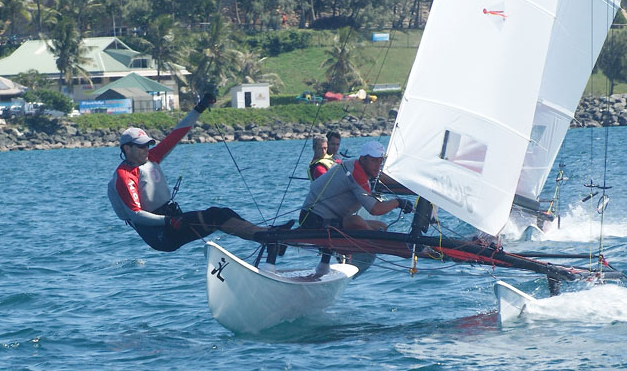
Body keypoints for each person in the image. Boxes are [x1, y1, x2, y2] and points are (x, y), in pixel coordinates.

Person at [108, 93, 288, 253]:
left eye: (148, 145)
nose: (146, 149)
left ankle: (269, 235)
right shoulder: (124, 176)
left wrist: (199, 108)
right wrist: (168, 221)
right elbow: (136, 215)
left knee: (223, 213)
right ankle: (268, 237)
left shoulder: (152, 157)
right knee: (216, 216)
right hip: (160, 234)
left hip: (171, 220)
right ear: (127, 148)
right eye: (141, 146)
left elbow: (177, 133)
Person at [299, 140, 413, 275]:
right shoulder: (356, 173)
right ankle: (390, 248)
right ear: (363, 159)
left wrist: (419, 188)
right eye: (374, 161)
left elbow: (381, 177)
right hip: (313, 220)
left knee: (381, 226)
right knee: (356, 221)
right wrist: (398, 202)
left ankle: (323, 266)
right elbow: (375, 209)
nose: (378, 165)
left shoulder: (358, 166)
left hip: (330, 218)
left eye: (380, 161)